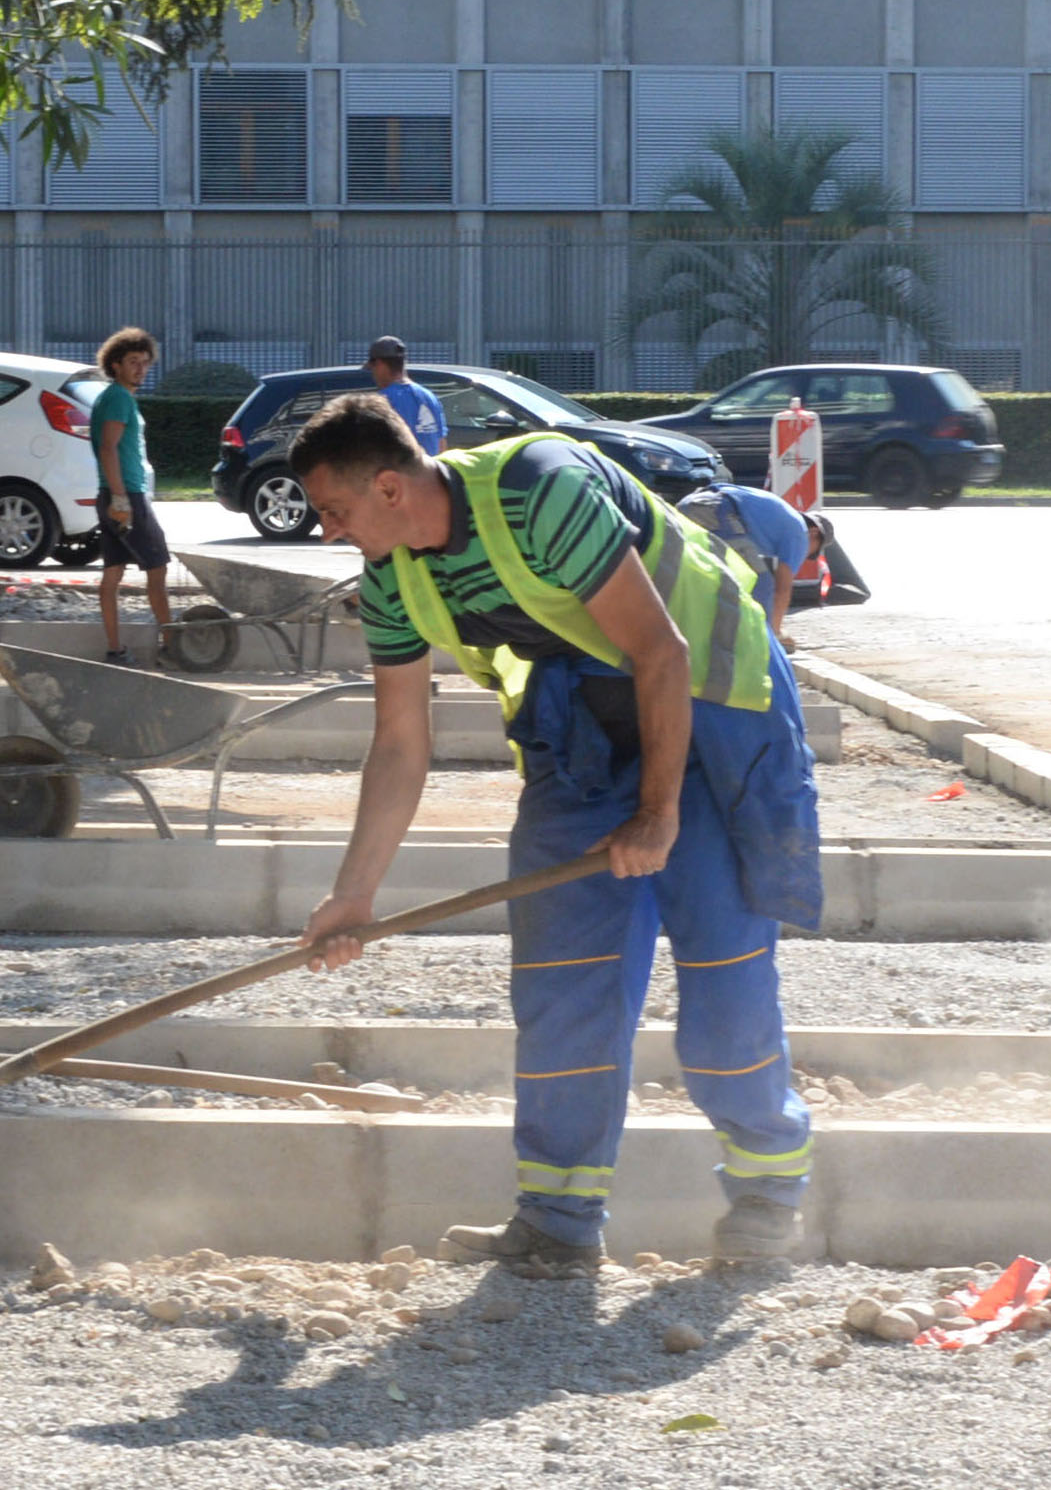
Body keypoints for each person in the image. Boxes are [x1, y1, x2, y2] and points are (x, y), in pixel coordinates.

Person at [290, 394, 822, 1269]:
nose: (327, 531)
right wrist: (354, 894)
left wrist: (657, 815)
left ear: (388, 487)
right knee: (561, 988)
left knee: (724, 984)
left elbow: (662, 651)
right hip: (576, 743)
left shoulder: (540, 491)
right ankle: (558, 1221)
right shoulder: (390, 580)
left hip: (712, 725)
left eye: (334, 510)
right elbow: (399, 743)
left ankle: (769, 1193)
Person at [90, 327, 170, 666]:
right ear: (116, 364)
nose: (141, 369)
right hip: (126, 496)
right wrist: (121, 500)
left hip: (110, 494)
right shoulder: (119, 398)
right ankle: (173, 647)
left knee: (113, 573)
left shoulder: (111, 397)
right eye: (133, 362)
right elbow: (108, 448)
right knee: (158, 568)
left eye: (145, 362)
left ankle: (115, 650)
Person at [676, 483, 831, 650]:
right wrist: (776, 632)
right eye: (813, 551)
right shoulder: (800, 534)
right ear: (814, 532)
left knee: (706, 578)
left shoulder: (778, 520)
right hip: (717, 511)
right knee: (760, 585)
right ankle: (764, 645)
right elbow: (782, 590)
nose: (805, 555)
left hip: (689, 504)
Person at [365, 336, 448, 456]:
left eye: (372, 369)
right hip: (431, 466)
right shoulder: (429, 397)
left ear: (379, 364)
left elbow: (375, 449)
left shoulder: (382, 402)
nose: (373, 375)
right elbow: (441, 444)